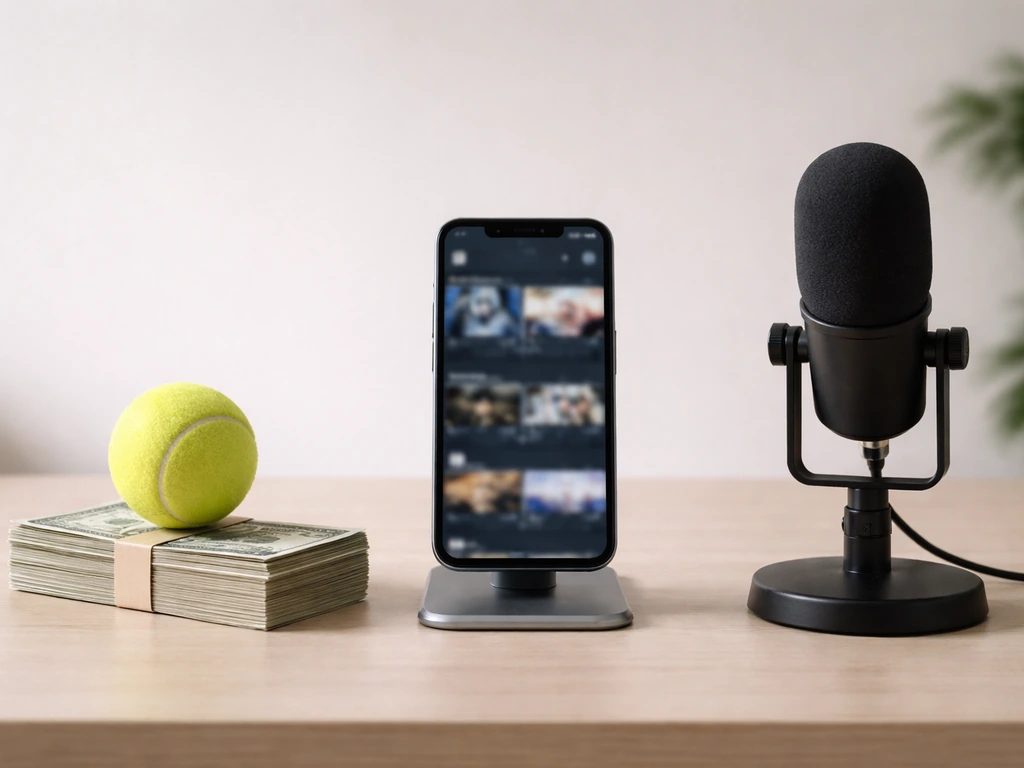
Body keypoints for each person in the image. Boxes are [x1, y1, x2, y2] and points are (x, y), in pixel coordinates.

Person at [450, 286, 519, 338]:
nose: (483, 308)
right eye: (480, 303)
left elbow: (517, 333)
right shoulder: (466, 317)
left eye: (487, 302)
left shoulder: (503, 318)